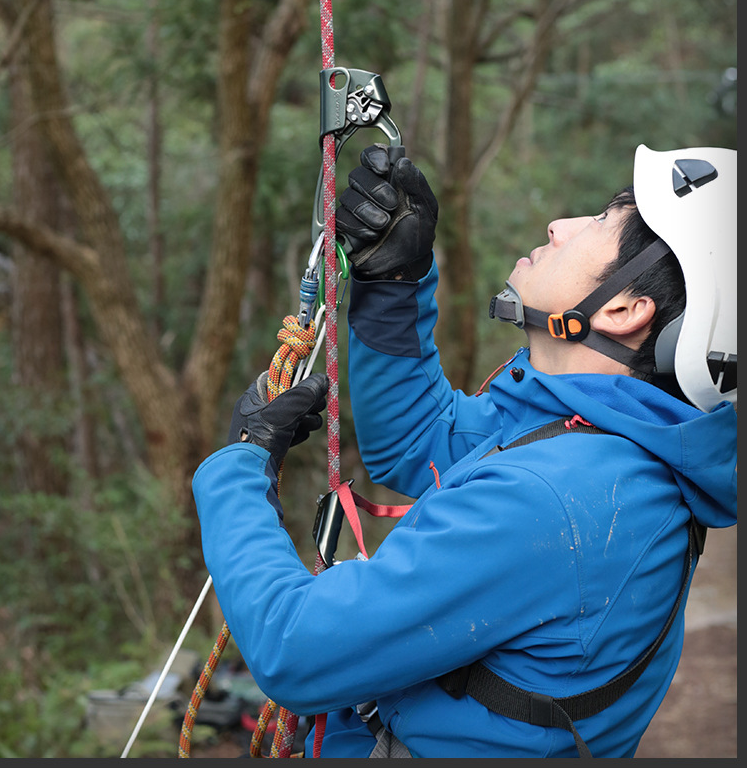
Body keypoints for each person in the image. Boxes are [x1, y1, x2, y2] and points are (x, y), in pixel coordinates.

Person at [192, 143, 737, 759]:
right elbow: (420, 444)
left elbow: (295, 647)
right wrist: (394, 284)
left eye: (601, 222)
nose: (560, 226)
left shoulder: (553, 498)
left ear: (622, 310)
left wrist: (239, 468)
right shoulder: (606, 445)